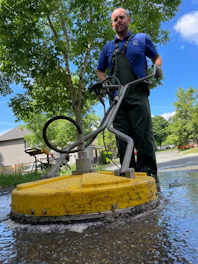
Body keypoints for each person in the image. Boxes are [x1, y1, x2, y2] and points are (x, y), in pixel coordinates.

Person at [97, 7, 162, 184]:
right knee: (122, 138)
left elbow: (156, 57)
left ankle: (149, 175)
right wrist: (106, 84)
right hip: (117, 99)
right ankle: (128, 174)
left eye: (121, 17)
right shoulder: (108, 48)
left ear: (128, 20)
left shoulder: (141, 39)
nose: (119, 21)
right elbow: (100, 70)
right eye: (115, 19)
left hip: (138, 93)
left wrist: (157, 68)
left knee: (143, 135)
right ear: (113, 25)